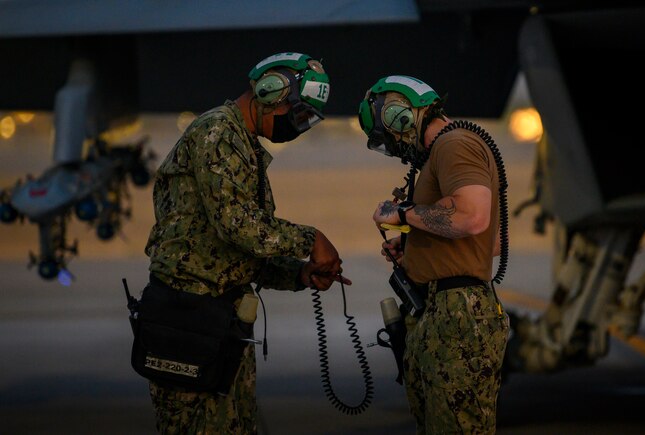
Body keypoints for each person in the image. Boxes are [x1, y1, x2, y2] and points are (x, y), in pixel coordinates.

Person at [143, 52, 350, 434]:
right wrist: (311, 239)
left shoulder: (243, 143)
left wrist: (300, 274)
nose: (296, 126)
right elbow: (237, 225)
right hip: (188, 318)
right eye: (298, 114)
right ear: (271, 92)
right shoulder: (218, 133)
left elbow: (238, 251)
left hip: (219, 320)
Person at [358, 75, 509, 434]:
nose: (396, 148)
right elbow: (491, 242)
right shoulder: (445, 151)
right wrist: (417, 245)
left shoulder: (455, 145)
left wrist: (403, 215)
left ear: (399, 116)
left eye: (389, 138)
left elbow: (472, 216)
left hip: (457, 316)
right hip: (443, 314)